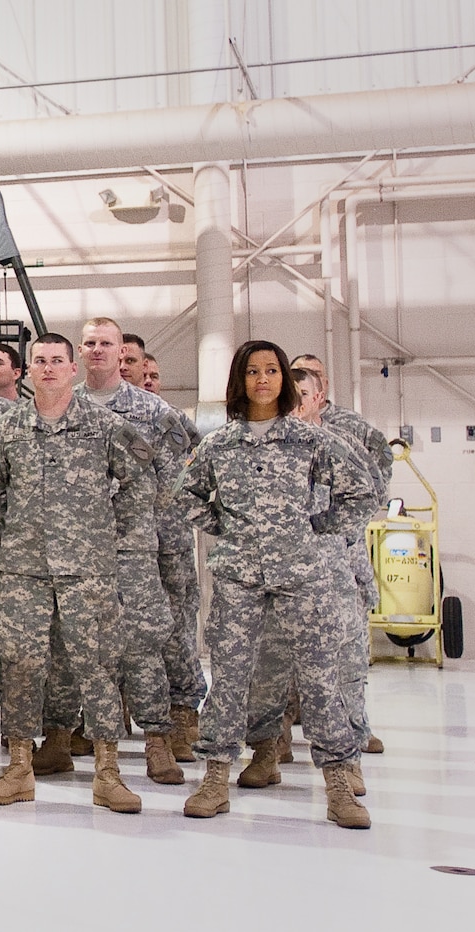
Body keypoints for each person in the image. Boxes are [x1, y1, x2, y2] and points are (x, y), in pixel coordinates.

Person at [176, 341, 375, 828]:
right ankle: (216, 777)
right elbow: (186, 495)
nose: (262, 379)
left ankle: (338, 783)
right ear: (239, 381)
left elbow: (361, 492)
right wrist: (228, 529)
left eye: (271, 370)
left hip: (302, 577)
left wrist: (316, 530)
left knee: (319, 677)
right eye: (252, 371)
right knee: (228, 678)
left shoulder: (312, 441)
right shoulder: (219, 444)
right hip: (239, 577)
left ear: (285, 379)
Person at [0, 333, 155, 813]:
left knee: (97, 666)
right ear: (28, 371)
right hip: (23, 571)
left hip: (87, 570)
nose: (48, 368)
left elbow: (140, 482)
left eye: (57, 360)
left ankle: (108, 773)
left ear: (73, 368)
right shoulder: (7, 429)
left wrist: (114, 537)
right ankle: (18, 768)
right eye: (40, 361)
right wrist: (7, 538)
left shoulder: (105, 425)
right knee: (19, 666)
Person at [237, 369, 379, 790]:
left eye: (303, 397)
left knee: (339, 675)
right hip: (275, 579)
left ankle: (345, 762)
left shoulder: (333, 448)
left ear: (318, 399)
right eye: (290, 397)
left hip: (331, 575)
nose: (296, 406)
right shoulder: (264, 448)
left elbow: (364, 499)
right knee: (268, 672)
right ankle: (266, 753)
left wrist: (326, 532)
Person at [74, 318, 195, 782]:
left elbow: (183, 469)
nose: (99, 351)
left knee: (144, 639)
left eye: (108, 343)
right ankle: (90, 731)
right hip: (80, 546)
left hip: (136, 543)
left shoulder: (153, 410)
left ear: (123, 352)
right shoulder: (66, 407)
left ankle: (158, 739)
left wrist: (155, 513)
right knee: (85, 642)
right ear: (80, 354)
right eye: (91, 344)